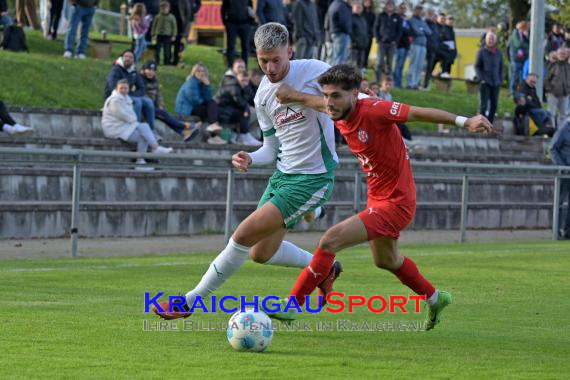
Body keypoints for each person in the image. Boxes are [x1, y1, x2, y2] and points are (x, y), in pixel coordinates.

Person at [272, 64, 494, 326]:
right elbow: (315, 101)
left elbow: (419, 113)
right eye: (327, 95)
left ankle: (292, 305)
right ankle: (435, 298)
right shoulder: (336, 107)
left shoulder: (376, 109)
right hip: (377, 197)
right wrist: (290, 94)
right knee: (386, 260)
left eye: (336, 96)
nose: (329, 103)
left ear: (355, 95)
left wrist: (465, 121)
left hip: (397, 202)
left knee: (330, 240)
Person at [152, 22, 341, 320]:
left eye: (276, 59)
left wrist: (299, 97)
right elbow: (270, 148)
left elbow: (341, 105)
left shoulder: (316, 70)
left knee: (241, 236)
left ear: (289, 51)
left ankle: (189, 301)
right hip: (282, 176)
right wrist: (251, 158)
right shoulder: (262, 95)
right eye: (263, 60)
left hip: (313, 177)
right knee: (260, 253)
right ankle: (326, 266)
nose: (270, 67)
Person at [102, 79, 172, 169]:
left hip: (123, 126)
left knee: (144, 131)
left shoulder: (126, 99)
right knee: (144, 130)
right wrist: (134, 119)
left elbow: (130, 116)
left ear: (129, 89)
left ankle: (143, 159)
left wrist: (133, 119)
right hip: (114, 128)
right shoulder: (114, 101)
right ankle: (153, 150)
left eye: (125, 88)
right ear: (116, 88)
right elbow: (125, 116)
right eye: (121, 88)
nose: (123, 90)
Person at [140, 61, 200, 142]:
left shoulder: (155, 81)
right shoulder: (139, 80)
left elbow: (159, 95)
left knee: (164, 115)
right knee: (163, 115)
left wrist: (161, 105)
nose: (151, 72)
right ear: (143, 70)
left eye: (153, 70)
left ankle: (184, 133)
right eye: (149, 70)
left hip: (153, 107)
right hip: (144, 107)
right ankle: (187, 126)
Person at [104, 50, 157, 135]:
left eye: (130, 57)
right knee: (138, 102)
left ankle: (151, 131)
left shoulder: (134, 71)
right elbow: (112, 86)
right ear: (122, 58)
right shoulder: (116, 69)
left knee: (149, 102)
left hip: (129, 95)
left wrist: (132, 94)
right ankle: (136, 129)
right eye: (126, 56)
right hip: (115, 97)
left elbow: (142, 88)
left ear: (133, 60)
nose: (127, 59)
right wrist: (127, 94)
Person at [175, 63, 224, 144]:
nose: (201, 73)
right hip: (186, 109)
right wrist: (205, 101)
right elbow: (195, 101)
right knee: (212, 106)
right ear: (194, 72)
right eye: (198, 71)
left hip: (195, 107)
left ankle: (213, 135)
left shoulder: (202, 83)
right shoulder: (191, 82)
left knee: (213, 108)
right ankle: (213, 133)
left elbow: (208, 97)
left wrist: (207, 85)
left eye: (203, 71)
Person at [475, 32, 503, 124]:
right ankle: (482, 123)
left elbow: (501, 67)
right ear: (486, 40)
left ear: (495, 40)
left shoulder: (498, 52)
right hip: (485, 81)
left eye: (492, 39)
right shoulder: (481, 51)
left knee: (494, 105)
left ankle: (490, 123)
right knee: (484, 105)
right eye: (489, 39)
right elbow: (477, 66)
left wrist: (500, 79)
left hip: (496, 82)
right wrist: (481, 78)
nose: (490, 40)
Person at [550, 118, 570, 240]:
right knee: (559, 202)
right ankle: (556, 232)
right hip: (565, 172)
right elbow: (552, 149)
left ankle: (568, 232)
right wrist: (562, 166)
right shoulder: (563, 130)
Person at [221, 0, 253, 69]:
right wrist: (225, 23)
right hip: (232, 23)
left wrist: (250, 22)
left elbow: (250, 8)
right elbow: (223, 9)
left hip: (245, 23)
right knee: (231, 47)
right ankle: (230, 67)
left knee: (245, 47)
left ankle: (244, 67)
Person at [373, 1, 400, 84]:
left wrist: (395, 41)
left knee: (390, 63)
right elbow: (375, 27)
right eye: (388, 5)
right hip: (382, 43)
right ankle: (377, 81)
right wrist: (378, 39)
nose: (390, 7)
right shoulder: (381, 15)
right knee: (379, 63)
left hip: (392, 44)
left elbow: (399, 31)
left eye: (391, 5)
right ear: (386, 6)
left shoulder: (397, 17)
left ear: (394, 7)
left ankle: (387, 83)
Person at [406, 4, 431, 89]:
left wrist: (422, 29)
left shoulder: (423, 21)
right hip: (415, 44)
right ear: (415, 11)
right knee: (413, 64)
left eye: (421, 10)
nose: (419, 12)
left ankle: (415, 83)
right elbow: (416, 31)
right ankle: (410, 83)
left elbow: (429, 32)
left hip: (423, 45)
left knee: (420, 66)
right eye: (418, 10)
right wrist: (422, 29)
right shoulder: (411, 20)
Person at [545, 48, 570, 129]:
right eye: (560, 54)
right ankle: (551, 130)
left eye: (564, 54)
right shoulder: (552, 65)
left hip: (565, 93)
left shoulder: (568, 66)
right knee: (551, 113)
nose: (562, 55)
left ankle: (560, 130)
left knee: (563, 114)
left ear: (566, 55)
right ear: (557, 55)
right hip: (553, 93)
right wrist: (549, 89)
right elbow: (546, 79)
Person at [151, 1, 177, 65]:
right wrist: (153, 34)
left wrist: (174, 35)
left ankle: (167, 62)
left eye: (165, 8)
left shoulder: (171, 17)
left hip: (167, 36)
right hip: (159, 35)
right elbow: (154, 26)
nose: (164, 10)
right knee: (157, 50)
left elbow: (174, 27)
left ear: (169, 9)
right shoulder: (157, 17)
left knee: (167, 50)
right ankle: (157, 61)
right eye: (162, 8)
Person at [507, 21, 529, 96]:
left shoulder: (522, 36)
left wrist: (526, 38)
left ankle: (519, 91)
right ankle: (512, 92)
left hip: (522, 58)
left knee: (521, 76)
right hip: (516, 58)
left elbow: (528, 45)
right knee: (515, 75)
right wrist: (525, 38)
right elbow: (518, 44)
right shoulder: (515, 34)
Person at [328, 0, 352, 65]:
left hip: (336, 32)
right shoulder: (341, 5)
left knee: (336, 56)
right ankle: (336, 75)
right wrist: (348, 31)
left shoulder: (333, 3)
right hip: (341, 33)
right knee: (340, 58)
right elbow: (344, 21)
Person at [393, 2, 411, 88]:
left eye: (404, 8)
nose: (403, 10)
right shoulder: (396, 17)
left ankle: (399, 82)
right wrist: (405, 30)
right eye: (401, 8)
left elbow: (409, 31)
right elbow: (402, 30)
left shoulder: (406, 19)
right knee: (397, 64)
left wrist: (406, 30)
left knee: (401, 65)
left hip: (406, 44)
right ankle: (395, 82)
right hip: (399, 44)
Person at [422, 8, 439, 89]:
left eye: (432, 14)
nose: (431, 16)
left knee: (429, 69)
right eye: (429, 14)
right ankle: (417, 84)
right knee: (422, 68)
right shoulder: (424, 23)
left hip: (433, 50)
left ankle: (426, 84)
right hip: (425, 48)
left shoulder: (435, 25)